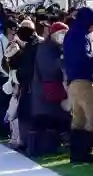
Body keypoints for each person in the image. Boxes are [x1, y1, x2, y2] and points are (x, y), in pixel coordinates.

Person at [62, 7, 93, 164]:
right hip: (84, 80)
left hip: (73, 81)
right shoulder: (80, 37)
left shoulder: (72, 34)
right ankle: (86, 152)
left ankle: (76, 154)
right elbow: (83, 59)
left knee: (79, 119)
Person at [31, 22, 69, 158]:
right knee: (45, 120)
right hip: (45, 91)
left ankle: (50, 146)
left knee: (53, 120)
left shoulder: (55, 47)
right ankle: (41, 148)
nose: (62, 36)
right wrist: (63, 60)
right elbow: (49, 69)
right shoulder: (45, 48)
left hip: (51, 91)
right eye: (60, 33)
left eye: (65, 33)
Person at [7, 19, 40, 152]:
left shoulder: (33, 46)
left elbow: (26, 67)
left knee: (25, 113)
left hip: (30, 86)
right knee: (20, 112)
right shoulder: (28, 45)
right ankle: (21, 139)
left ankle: (25, 141)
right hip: (25, 86)